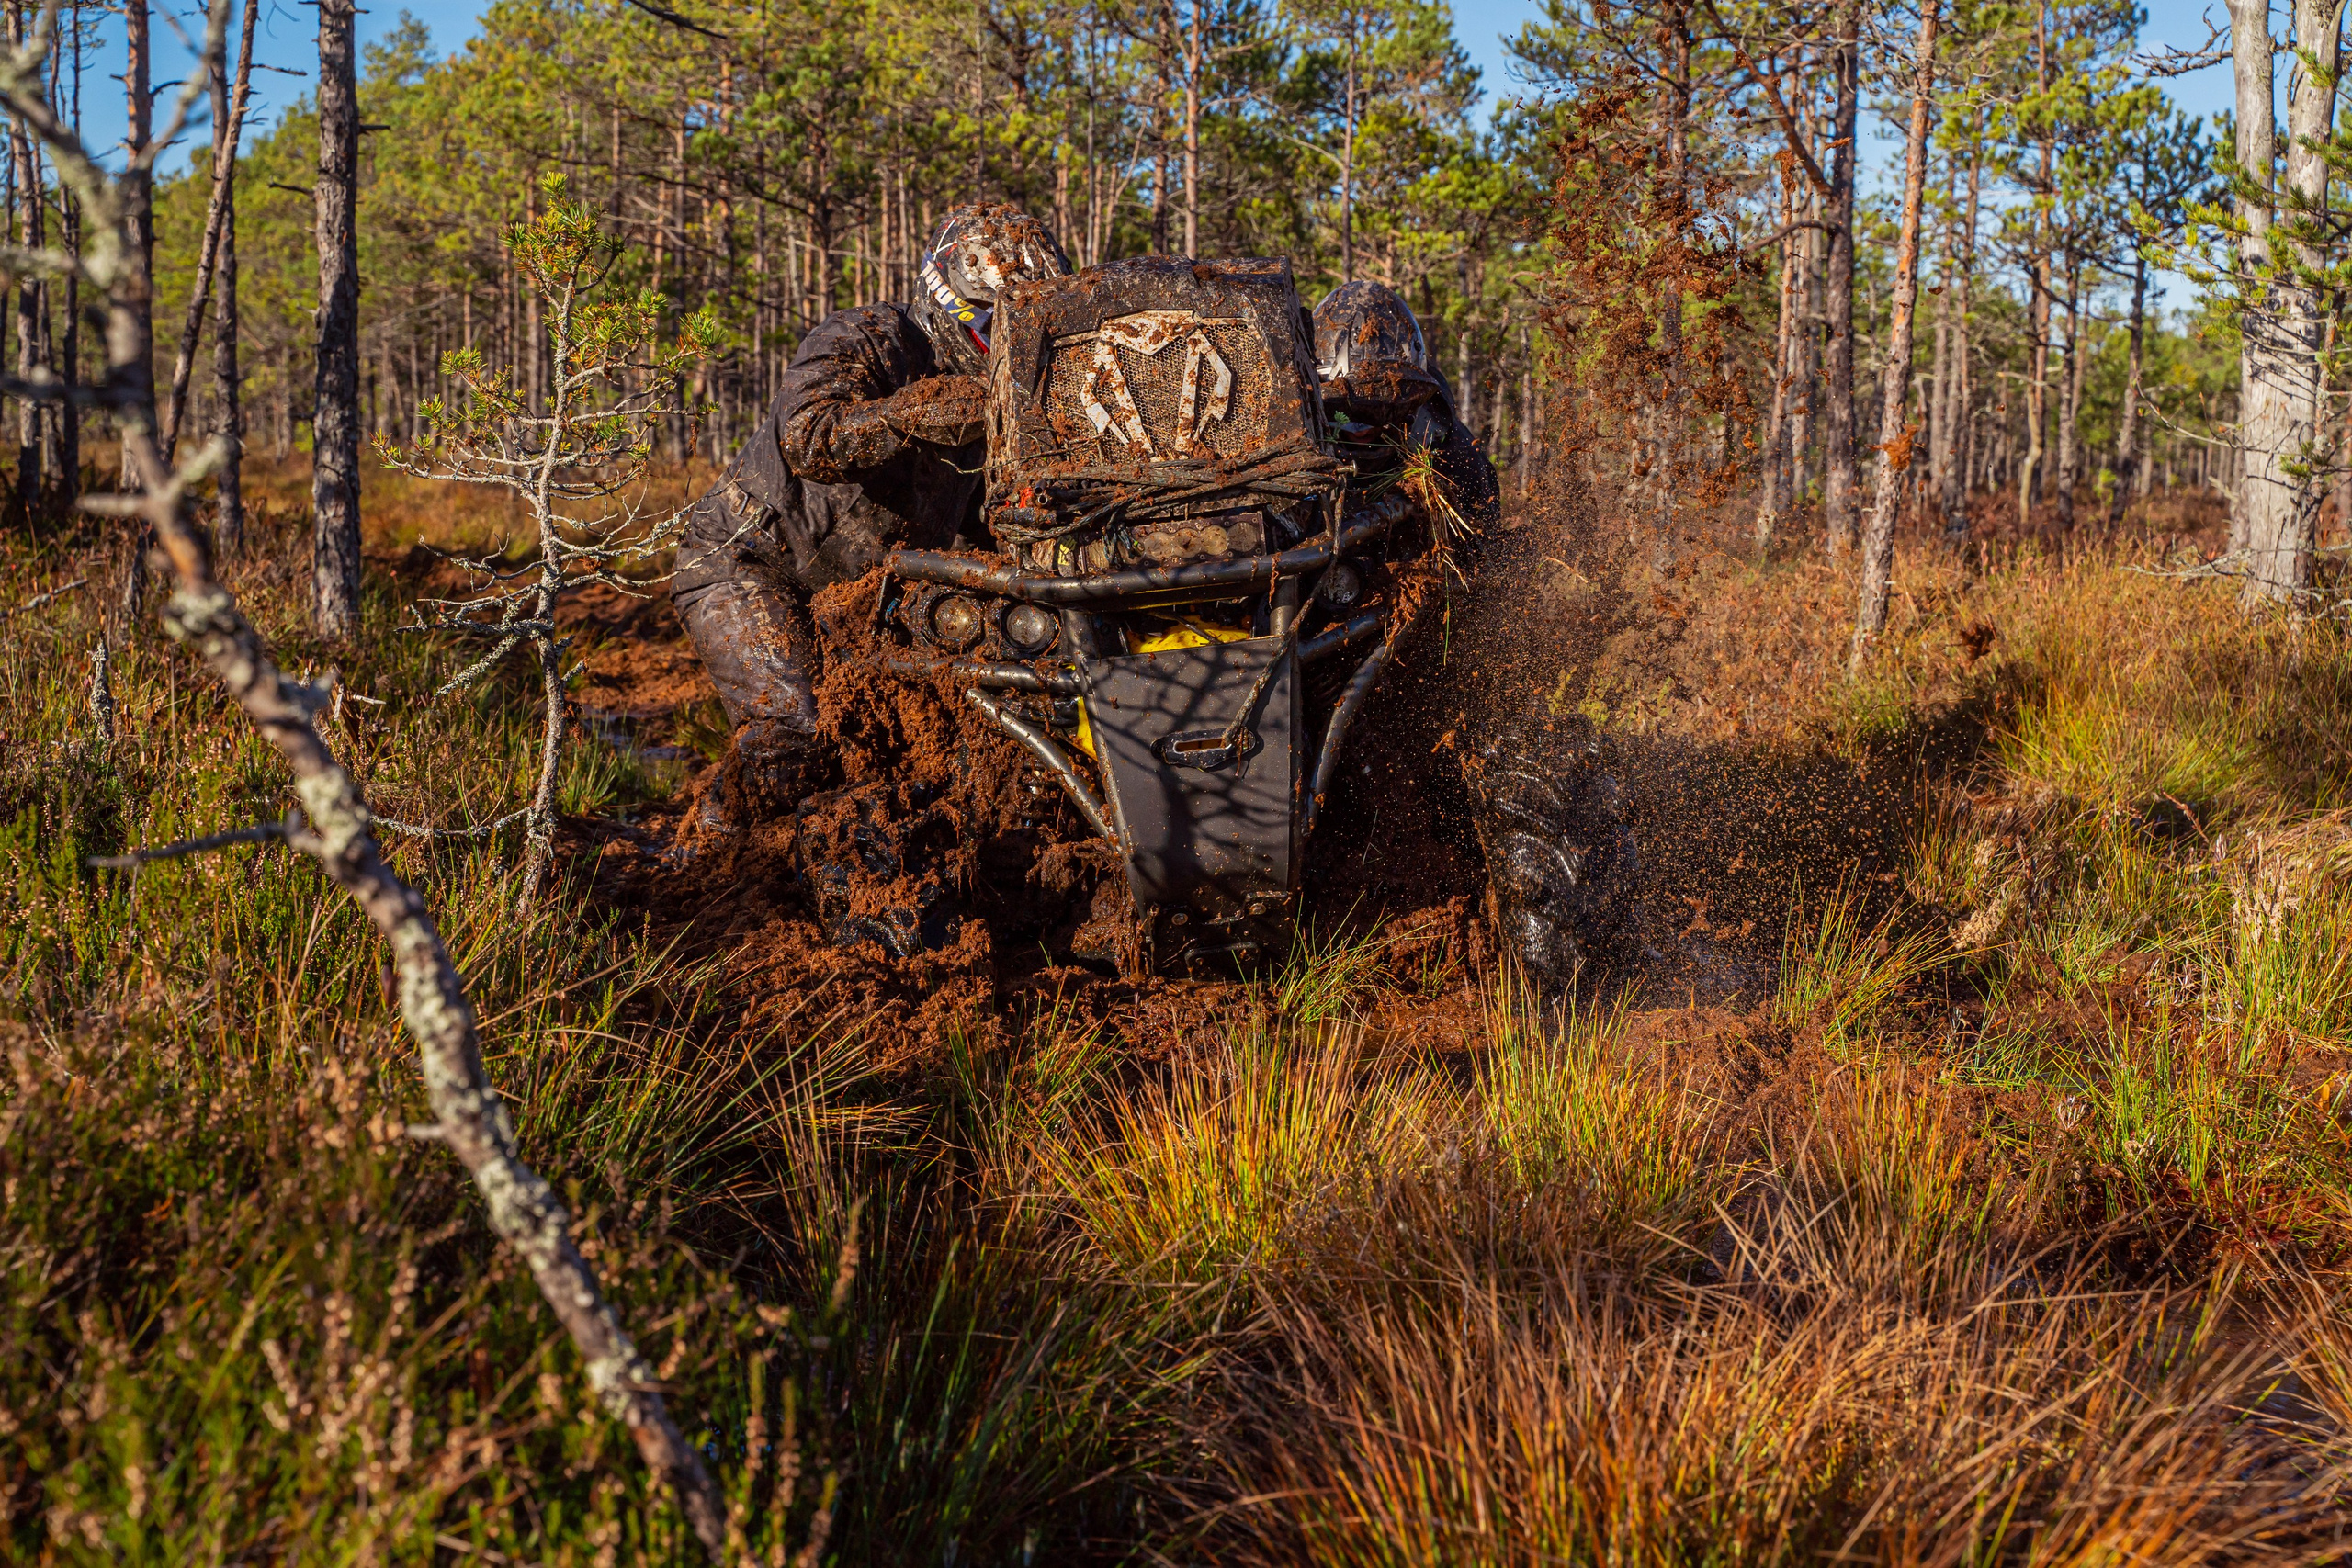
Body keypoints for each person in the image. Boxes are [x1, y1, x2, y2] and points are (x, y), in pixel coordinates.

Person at [673, 204, 1071, 827]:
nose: (1007, 343)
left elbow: (987, 523)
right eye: (998, 323)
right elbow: (807, 435)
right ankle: (725, 866)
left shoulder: (1003, 403)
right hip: (748, 560)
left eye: (1025, 324)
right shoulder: (867, 335)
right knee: (796, 740)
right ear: (949, 295)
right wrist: (907, 414)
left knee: (935, 737)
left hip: (868, 591)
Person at [1310, 280, 1634, 996]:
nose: (1371, 428)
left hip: (1420, 650)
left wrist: (1432, 517)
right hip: (1317, 632)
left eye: (1388, 410)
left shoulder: (1442, 441)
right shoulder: (1295, 444)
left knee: (1496, 724)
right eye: (1352, 414)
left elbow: (1480, 531)